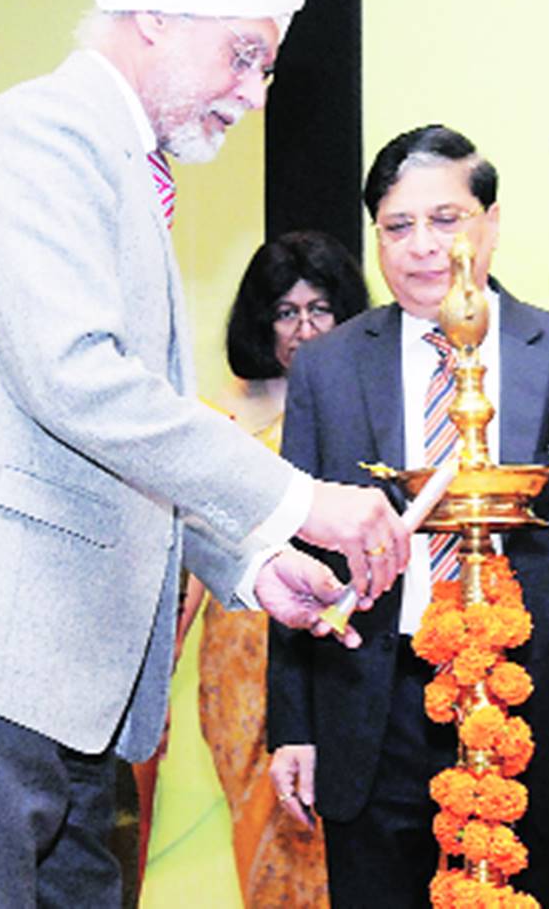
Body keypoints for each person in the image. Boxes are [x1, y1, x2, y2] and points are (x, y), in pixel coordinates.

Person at [0, 0, 410, 907]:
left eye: (266, 67)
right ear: (154, 20)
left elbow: (111, 442)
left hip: (60, 678)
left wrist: (250, 562)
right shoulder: (40, 135)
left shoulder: (119, 166)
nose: (255, 95)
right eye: (243, 56)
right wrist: (299, 501)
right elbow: (76, 381)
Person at [266, 125, 549, 907]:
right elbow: (296, 551)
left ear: (492, 221)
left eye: (446, 219)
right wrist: (294, 724)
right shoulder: (329, 369)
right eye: (397, 226)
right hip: (372, 705)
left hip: (527, 707)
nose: (423, 247)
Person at [184, 231, 369, 907]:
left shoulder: (370, 405)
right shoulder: (222, 416)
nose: (305, 329)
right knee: (264, 817)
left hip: (343, 635)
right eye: (286, 312)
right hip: (242, 645)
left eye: (320, 309)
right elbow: (195, 546)